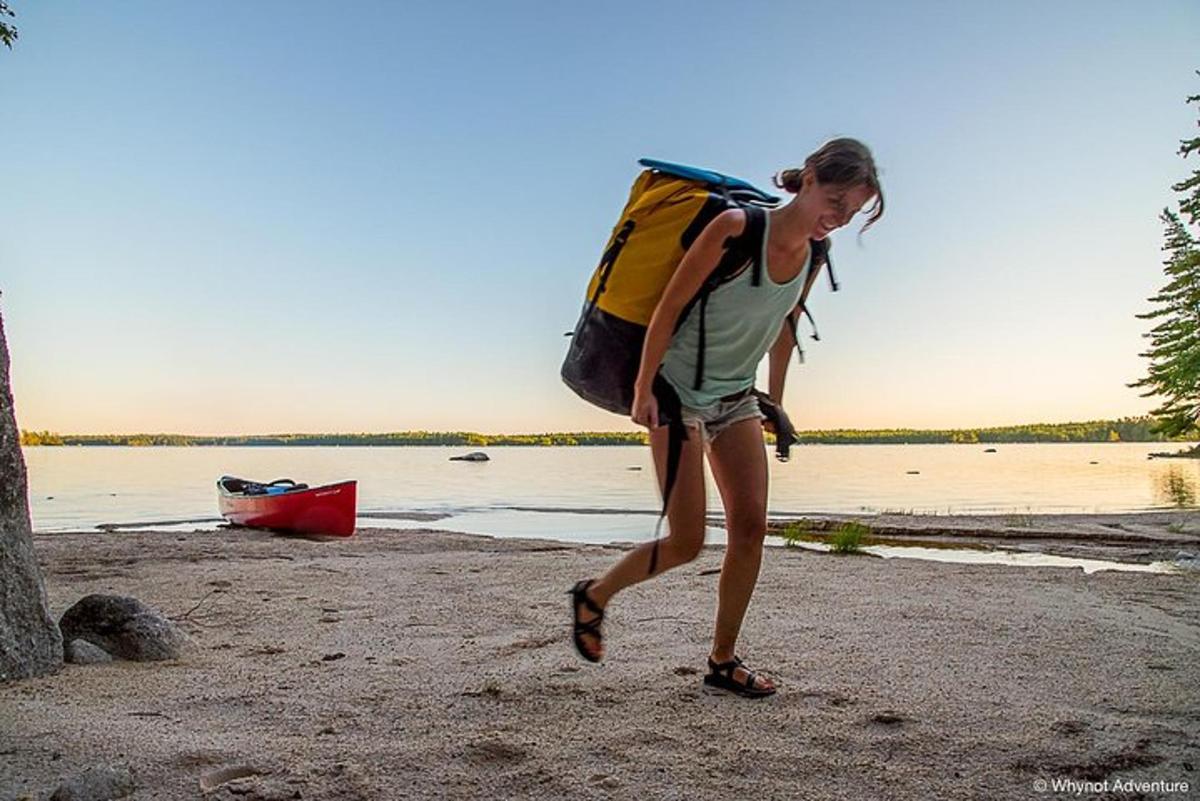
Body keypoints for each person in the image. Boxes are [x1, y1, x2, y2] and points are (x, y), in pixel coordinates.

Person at [568, 138, 884, 697]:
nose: (837, 220)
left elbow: (785, 328)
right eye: (834, 202)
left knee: (750, 528)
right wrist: (644, 387)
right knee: (687, 541)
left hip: (736, 397)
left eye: (851, 213)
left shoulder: (814, 254)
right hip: (674, 393)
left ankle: (722, 660)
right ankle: (594, 595)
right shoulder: (735, 228)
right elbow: (668, 307)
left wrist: (775, 401)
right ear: (808, 178)